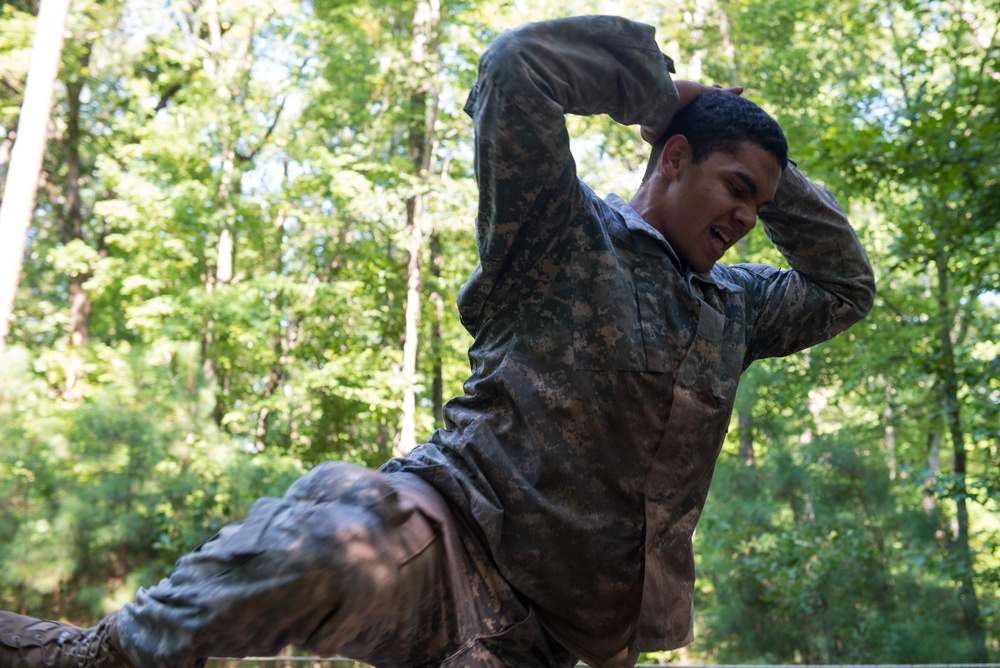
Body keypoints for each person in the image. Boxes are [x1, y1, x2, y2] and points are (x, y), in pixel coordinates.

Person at [0, 14, 875, 668]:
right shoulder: (563, 230)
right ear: (673, 160)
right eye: (734, 186)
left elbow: (846, 287)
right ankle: (96, 656)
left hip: (567, 640)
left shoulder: (739, 305)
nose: (748, 219)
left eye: (761, 204)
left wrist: (764, 155)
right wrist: (664, 97)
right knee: (328, 546)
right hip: (452, 541)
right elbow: (517, 67)